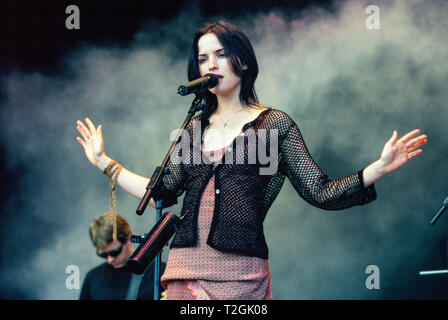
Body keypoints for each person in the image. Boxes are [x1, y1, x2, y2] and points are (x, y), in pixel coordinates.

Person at [76, 21, 427, 300]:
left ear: (242, 61)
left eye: (220, 54)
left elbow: (320, 191)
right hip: (184, 268)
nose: (210, 64)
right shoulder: (193, 126)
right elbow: (160, 189)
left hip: (241, 273)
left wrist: (377, 168)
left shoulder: (275, 124)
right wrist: (105, 162)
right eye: (202, 58)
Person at [79, 213, 165, 300]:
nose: (110, 260)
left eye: (114, 252)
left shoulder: (161, 273)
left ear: (128, 239)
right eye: (103, 254)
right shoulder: (92, 278)